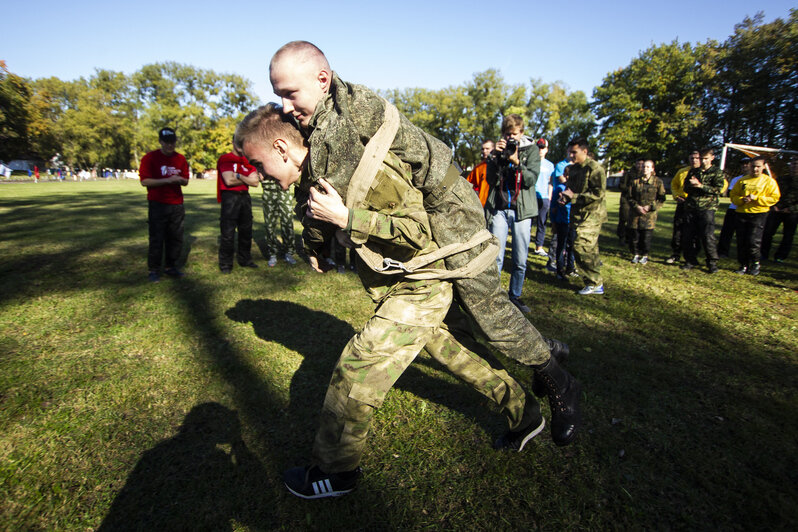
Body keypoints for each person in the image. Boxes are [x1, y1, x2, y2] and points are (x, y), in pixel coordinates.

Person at [266, 40, 579, 461]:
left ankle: (557, 377)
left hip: (450, 208)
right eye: (278, 96)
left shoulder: (346, 119)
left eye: (290, 93)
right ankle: (542, 359)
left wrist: (318, 242)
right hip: (429, 210)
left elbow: (322, 182)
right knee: (452, 329)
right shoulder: (329, 111)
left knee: (486, 312)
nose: (285, 106)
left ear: (323, 80)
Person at [236, 104, 547, 499]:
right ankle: (526, 414)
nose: (256, 174)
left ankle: (335, 472)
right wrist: (316, 242)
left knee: (357, 367)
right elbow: (319, 215)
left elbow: (416, 232)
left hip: (420, 283)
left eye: (257, 163)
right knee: (459, 354)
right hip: (401, 284)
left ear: (281, 148)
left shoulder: (355, 168)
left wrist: (349, 220)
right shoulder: (317, 172)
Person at [485, 115, 540, 314]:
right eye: (507, 134)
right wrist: (494, 158)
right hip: (500, 208)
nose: (511, 138)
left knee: (520, 257)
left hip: (522, 210)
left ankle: (514, 295)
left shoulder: (531, 149)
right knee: (496, 255)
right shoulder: (497, 151)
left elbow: (531, 180)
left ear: (522, 133)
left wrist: (517, 161)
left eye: (514, 134)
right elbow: (491, 180)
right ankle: (495, 295)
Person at [139, 127, 189, 282]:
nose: (169, 145)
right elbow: (144, 181)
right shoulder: (150, 158)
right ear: (160, 141)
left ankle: (170, 266)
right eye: (166, 142)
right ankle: (153, 269)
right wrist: (167, 180)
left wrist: (179, 179)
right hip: (158, 204)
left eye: (172, 142)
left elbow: (186, 180)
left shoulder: (180, 159)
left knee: (175, 237)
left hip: (176, 204)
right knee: (157, 237)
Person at [558, 137, 607, 294]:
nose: (571, 156)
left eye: (574, 152)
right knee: (588, 247)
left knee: (581, 246)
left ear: (584, 151)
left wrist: (574, 197)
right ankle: (594, 281)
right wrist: (565, 197)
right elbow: (570, 189)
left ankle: (594, 282)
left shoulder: (595, 169)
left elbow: (598, 194)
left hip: (592, 215)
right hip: (577, 214)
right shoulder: (573, 169)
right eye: (569, 152)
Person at [729, 156, 781, 275]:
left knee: (753, 241)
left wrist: (757, 198)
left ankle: (755, 263)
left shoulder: (769, 181)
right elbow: (733, 196)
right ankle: (743, 264)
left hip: (759, 214)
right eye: (753, 166)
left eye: (758, 166)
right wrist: (742, 200)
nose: (755, 169)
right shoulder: (742, 181)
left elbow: (774, 198)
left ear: (763, 167)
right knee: (741, 240)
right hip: (742, 213)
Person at [216, 139, 261, 273]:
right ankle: (226, 264)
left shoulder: (247, 161)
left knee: (246, 230)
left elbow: (255, 182)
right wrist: (246, 178)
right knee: (228, 232)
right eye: (238, 142)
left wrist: (239, 175)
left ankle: (245, 259)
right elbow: (228, 181)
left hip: (245, 197)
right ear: (233, 143)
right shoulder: (226, 159)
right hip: (230, 198)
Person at [681, 148, 725, 273]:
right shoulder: (693, 171)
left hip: (707, 208)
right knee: (688, 236)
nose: (703, 161)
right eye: (701, 159)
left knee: (707, 236)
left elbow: (718, 190)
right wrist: (691, 184)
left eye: (705, 159)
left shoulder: (717, 172)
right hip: (691, 207)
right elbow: (685, 188)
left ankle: (712, 262)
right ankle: (690, 260)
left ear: (712, 158)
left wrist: (700, 186)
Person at [625, 160, 666, 264]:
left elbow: (661, 198)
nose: (645, 169)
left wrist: (651, 207)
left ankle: (645, 255)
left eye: (648, 167)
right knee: (634, 236)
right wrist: (636, 206)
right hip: (635, 213)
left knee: (646, 237)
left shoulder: (658, 182)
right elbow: (629, 197)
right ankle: (636, 254)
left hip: (649, 215)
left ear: (652, 169)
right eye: (643, 167)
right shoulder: (634, 181)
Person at [761, 155, 798, 263]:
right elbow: (770, 192)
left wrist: (790, 209)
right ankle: (763, 254)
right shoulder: (781, 179)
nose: (794, 166)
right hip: (776, 210)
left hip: (792, 213)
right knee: (767, 232)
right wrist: (773, 206)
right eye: (792, 164)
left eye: (796, 164)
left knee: (788, 235)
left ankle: (780, 257)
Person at [666, 150, 701, 264]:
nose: (694, 160)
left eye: (697, 158)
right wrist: (676, 196)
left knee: (694, 231)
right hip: (682, 204)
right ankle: (676, 253)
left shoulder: (706, 172)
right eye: (692, 158)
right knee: (678, 229)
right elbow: (674, 185)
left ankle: (692, 256)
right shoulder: (682, 172)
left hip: (697, 205)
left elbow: (721, 186)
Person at [717, 157, 751, 258]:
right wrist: (741, 199)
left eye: (747, 164)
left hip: (748, 210)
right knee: (727, 231)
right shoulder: (736, 179)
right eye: (742, 164)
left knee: (745, 234)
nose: (744, 166)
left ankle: (745, 253)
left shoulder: (758, 180)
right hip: (733, 208)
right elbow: (732, 194)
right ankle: (722, 251)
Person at [261, 176, 298, 267]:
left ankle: (289, 252)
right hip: (268, 190)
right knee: (270, 225)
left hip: (284, 190)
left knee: (288, 223)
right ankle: (272, 253)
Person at [550, 166, 575, 279]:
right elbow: (553, 208)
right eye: (567, 174)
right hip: (562, 222)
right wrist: (554, 222)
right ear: (564, 175)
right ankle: (560, 270)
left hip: (573, 222)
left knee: (572, 246)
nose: (569, 177)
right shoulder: (559, 189)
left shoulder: (577, 190)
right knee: (561, 245)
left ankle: (570, 268)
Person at [532, 138, 554, 256]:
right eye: (538, 147)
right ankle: (523, 246)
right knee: (528, 223)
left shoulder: (550, 165)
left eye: (543, 148)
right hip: (531, 197)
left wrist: (549, 197)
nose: (540, 150)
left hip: (544, 197)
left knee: (542, 223)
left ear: (546, 150)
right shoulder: (531, 162)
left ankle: (538, 247)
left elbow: (551, 183)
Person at [618, 159, 644, 244]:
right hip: (626, 199)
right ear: (635, 164)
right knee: (624, 218)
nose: (640, 166)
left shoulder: (644, 175)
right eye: (638, 164)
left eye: (641, 164)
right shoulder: (628, 174)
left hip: (637, 200)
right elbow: (621, 185)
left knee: (634, 220)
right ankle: (622, 236)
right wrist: (630, 189)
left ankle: (631, 237)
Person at [465, 139, 494, 209]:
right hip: (482, 207)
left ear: (493, 149)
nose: (484, 151)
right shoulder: (478, 168)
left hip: (496, 208)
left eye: (487, 149)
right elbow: (467, 184)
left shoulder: (500, 165)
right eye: (483, 149)